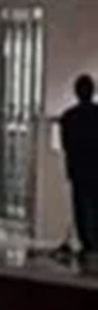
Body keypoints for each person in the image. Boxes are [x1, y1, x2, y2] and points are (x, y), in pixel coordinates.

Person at [58, 74, 98, 263]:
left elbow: (66, 145)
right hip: (96, 169)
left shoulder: (68, 117)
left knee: (81, 208)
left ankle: (86, 244)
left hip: (78, 170)